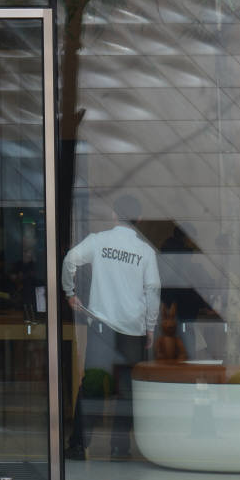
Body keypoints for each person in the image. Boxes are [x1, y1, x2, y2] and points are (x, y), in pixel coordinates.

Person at [62, 194, 161, 461]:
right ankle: (120, 448)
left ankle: (78, 445)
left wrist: (70, 293)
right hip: (133, 332)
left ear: (115, 216)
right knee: (127, 392)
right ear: (139, 220)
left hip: (102, 329)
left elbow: (70, 259)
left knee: (93, 385)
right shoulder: (145, 252)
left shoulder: (99, 241)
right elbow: (152, 292)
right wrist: (150, 327)